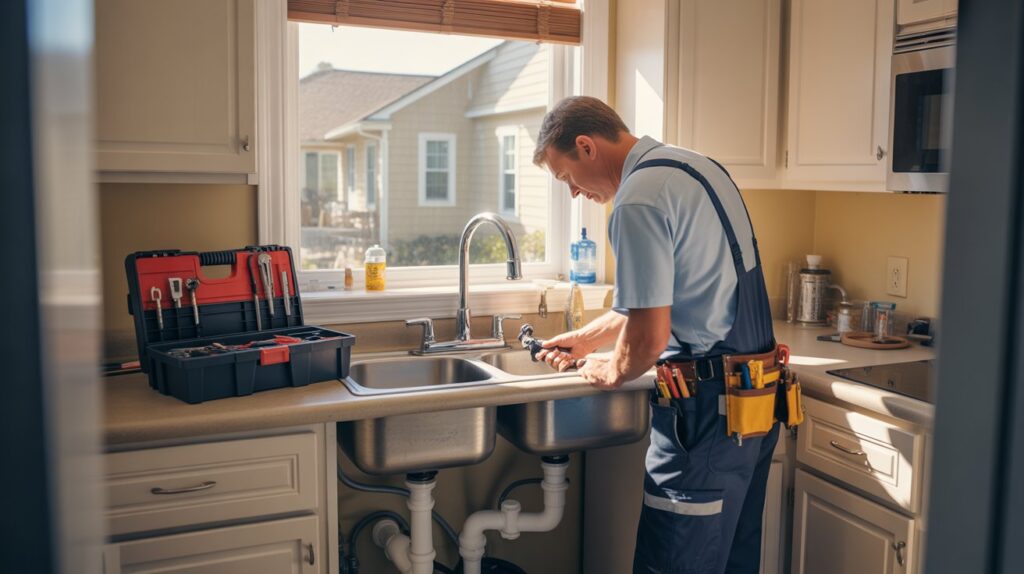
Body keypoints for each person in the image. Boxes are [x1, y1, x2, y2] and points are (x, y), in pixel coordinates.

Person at [532, 96, 781, 574]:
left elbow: (647, 340)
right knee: (730, 560)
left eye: (566, 178)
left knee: (674, 561)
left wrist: (612, 370)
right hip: (752, 403)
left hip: (705, 416)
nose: (573, 193)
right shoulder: (696, 167)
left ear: (586, 146)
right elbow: (672, 298)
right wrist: (589, 339)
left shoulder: (638, 199)